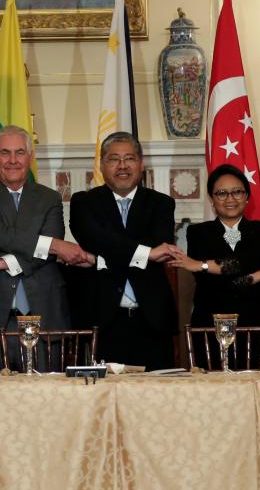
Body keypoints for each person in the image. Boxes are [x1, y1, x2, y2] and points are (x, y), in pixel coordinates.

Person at [0, 125, 93, 372]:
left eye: (20, 152)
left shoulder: (50, 197)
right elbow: (1, 236)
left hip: (43, 312)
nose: (12, 160)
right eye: (5, 153)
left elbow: (43, 257)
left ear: (30, 157)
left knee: (45, 400)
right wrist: (52, 245)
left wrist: (0, 263)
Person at [68, 133, 182, 369]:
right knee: (105, 401)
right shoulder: (83, 202)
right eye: (114, 159)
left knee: (158, 399)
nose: (122, 166)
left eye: (129, 158)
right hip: (103, 321)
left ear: (141, 164)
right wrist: (146, 254)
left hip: (151, 320)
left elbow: (157, 242)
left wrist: (98, 258)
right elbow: (93, 237)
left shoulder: (161, 203)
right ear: (101, 165)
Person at [167, 164, 260, 367]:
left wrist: (201, 265)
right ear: (212, 200)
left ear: (247, 196)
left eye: (237, 192)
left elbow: (246, 263)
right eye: (221, 193)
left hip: (259, 326)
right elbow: (226, 276)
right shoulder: (197, 233)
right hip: (209, 328)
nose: (230, 199)